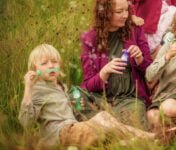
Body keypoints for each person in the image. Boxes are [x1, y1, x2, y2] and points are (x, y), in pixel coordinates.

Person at [18, 44, 155, 148]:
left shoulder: (62, 87)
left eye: (54, 62)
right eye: (44, 63)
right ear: (35, 69)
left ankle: (143, 139)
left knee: (107, 125)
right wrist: (28, 88)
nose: (50, 66)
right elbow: (25, 122)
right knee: (103, 119)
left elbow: (70, 112)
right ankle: (151, 138)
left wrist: (77, 107)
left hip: (74, 129)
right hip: (60, 135)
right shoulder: (38, 89)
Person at [80, 0, 152, 129]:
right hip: (100, 98)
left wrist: (139, 59)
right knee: (75, 95)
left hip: (129, 98)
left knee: (133, 117)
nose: (125, 15)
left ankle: (110, 127)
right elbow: (88, 85)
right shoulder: (90, 38)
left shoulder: (135, 31)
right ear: (105, 13)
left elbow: (151, 71)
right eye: (119, 12)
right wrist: (104, 72)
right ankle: (115, 126)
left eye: (127, 10)